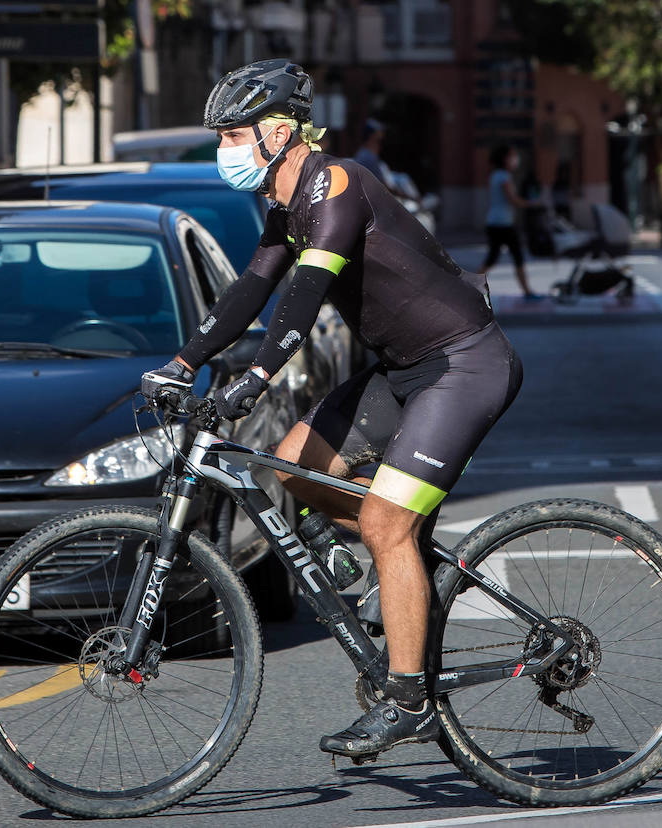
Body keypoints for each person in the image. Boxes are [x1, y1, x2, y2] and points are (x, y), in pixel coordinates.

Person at [141, 59, 523, 759]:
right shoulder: (283, 205)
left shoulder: (337, 186)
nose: (224, 151)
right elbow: (251, 292)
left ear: (279, 132)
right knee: (291, 465)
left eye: (232, 136)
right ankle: (395, 562)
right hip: (403, 369)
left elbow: (306, 294)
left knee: (384, 521)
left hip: (465, 363)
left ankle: (408, 699)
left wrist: (257, 374)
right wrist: (182, 362)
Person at [481, 145, 534, 298]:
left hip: (496, 222)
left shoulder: (495, 175)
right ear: (505, 159)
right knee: (516, 255)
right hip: (502, 223)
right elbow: (512, 199)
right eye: (512, 155)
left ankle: (470, 286)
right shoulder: (504, 176)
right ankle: (527, 291)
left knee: (493, 256)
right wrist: (531, 204)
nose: (515, 159)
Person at [352, 118, 391, 185]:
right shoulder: (366, 155)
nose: (382, 132)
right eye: (379, 130)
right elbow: (381, 184)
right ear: (371, 134)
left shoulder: (369, 152)